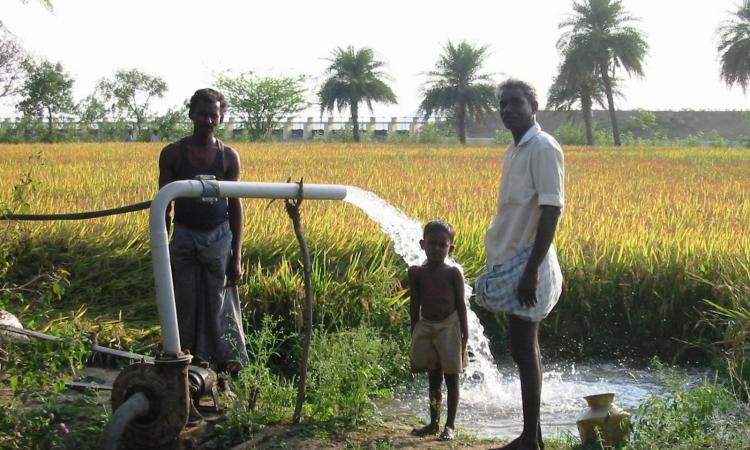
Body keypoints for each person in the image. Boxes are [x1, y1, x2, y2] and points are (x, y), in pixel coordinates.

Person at [485, 79, 565, 450]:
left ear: (534, 105)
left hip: (529, 260)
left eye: (515, 103)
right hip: (514, 257)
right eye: (503, 104)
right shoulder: (514, 149)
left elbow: (552, 209)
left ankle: (529, 440)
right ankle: (534, 437)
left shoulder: (543, 147)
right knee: (522, 346)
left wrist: (531, 269)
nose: (508, 110)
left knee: (523, 345)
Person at [158, 88, 248, 374]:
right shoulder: (172, 154)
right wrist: (162, 248)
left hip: (218, 237)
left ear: (220, 119)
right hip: (184, 236)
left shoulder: (228, 157)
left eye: (214, 115)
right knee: (183, 301)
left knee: (219, 304)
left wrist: (236, 256)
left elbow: (235, 205)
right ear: (191, 115)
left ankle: (225, 369)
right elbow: (164, 204)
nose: (208, 120)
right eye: (203, 114)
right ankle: (185, 366)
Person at [408, 220, 468, 441]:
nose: (436, 249)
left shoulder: (453, 273)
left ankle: (449, 425)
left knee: (452, 377)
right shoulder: (416, 272)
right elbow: (414, 304)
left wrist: (465, 335)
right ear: (422, 244)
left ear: (450, 249)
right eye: (432, 244)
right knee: (433, 376)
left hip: (449, 325)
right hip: (427, 325)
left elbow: (461, 306)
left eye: (442, 245)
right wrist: (414, 332)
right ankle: (433, 423)